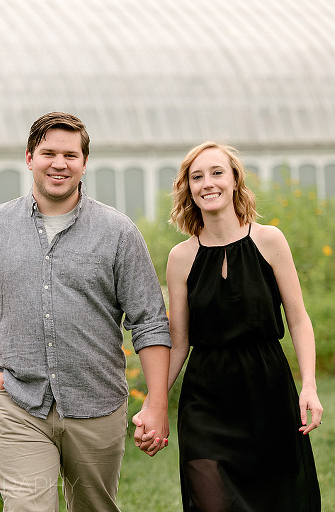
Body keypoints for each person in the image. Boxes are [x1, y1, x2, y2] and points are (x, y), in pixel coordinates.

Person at [0, 112, 171, 512]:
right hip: (17, 402)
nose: (59, 163)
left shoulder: (118, 232)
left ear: (84, 163)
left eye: (70, 154)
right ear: (30, 157)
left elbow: (149, 322)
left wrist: (155, 403)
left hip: (97, 404)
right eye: (48, 152)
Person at [136, 141, 322, 511]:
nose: (208, 183)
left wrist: (310, 386)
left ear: (236, 179)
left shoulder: (270, 241)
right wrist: (154, 402)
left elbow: (298, 320)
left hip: (267, 393)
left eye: (217, 172)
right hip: (205, 402)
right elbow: (179, 340)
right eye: (197, 176)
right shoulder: (181, 258)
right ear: (188, 187)